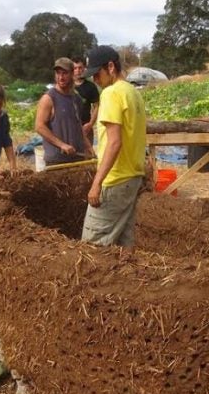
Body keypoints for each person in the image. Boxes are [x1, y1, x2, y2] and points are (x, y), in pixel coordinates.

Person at [80, 46, 147, 253]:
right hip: (132, 178)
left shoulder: (111, 93)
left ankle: (92, 286)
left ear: (110, 67)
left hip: (115, 180)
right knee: (123, 246)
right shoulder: (133, 93)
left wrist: (97, 183)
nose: (95, 81)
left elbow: (114, 142)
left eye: (97, 74)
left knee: (91, 249)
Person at [36, 57, 94, 166]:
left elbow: (78, 126)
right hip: (56, 161)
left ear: (72, 74)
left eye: (64, 73)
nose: (61, 77)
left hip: (77, 158)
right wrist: (62, 145)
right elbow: (39, 127)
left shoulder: (76, 99)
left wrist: (88, 145)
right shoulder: (49, 98)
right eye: (58, 73)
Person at [73, 55, 100, 140]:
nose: (78, 71)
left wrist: (91, 124)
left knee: (87, 152)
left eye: (80, 68)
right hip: (70, 128)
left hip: (86, 127)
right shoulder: (67, 86)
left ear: (84, 68)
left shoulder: (91, 86)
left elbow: (96, 106)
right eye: (75, 68)